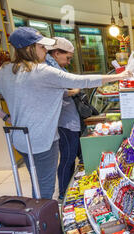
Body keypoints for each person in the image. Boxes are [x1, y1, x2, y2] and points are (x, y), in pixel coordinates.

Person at [0, 27, 131, 199]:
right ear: (30, 48)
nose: (46, 51)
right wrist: (118, 76)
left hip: (20, 139)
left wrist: (5, 117)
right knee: (45, 188)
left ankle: (37, 213)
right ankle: (42, 220)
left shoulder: (4, 71)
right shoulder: (41, 71)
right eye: (42, 47)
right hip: (43, 140)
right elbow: (81, 80)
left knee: (36, 179)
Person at [45, 37, 82, 201]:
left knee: (72, 156)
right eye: (67, 58)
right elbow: (50, 93)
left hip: (69, 119)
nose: (68, 62)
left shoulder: (57, 68)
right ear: (56, 53)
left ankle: (68, 190)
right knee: (67, 157)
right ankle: (63, 194)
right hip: (64, 122)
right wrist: (73, 91)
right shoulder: (49, 70)